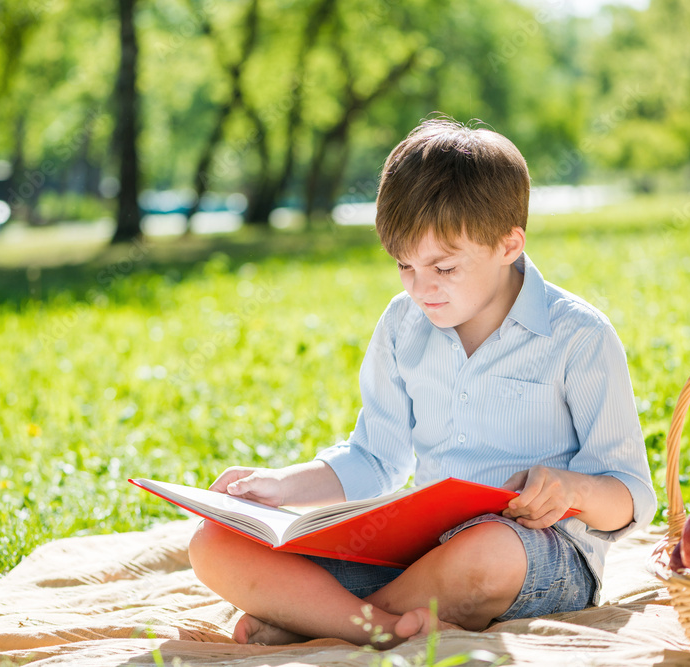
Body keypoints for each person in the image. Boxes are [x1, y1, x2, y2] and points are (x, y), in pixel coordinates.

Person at [188, 117, 657, 648]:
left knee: (486, 551)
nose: (421, 288)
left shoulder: (578, 335)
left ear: (509, 245)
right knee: (214, 545)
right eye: (405, 265)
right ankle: (387, 627)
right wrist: (278, 486)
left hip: (538, 556)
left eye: (444, 268)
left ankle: (317, 621)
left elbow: (632, 495)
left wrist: (575, 489)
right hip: (419, 556)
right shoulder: (402, 324)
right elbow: (376, 458)